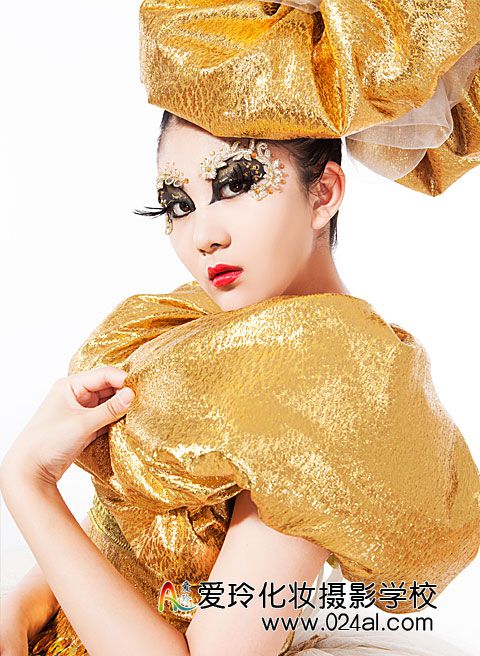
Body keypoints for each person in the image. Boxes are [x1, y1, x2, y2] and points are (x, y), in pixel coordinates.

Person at [1, 1, 480, 655]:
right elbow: (130, 561)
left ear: (324, 193)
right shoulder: (201, 327)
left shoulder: (330, 384)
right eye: (178, 204)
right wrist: (20, 607)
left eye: (234, 183)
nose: (203, 234)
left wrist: (27, 483)